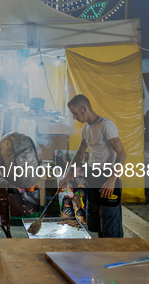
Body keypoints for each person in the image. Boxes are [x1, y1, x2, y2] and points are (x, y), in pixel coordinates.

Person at [59, 94, 127, 238]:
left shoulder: (106, 125)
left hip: (108, 179)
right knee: (96, 224)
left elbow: (122, 154)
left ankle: (115, 257)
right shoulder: (86, 129)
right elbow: (78, 154)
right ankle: (102, 257)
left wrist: (111, 180)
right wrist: (66, 175)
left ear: (84, 109)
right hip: (93, 180)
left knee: (110, 228)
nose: (74, 117)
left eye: (75, 113)